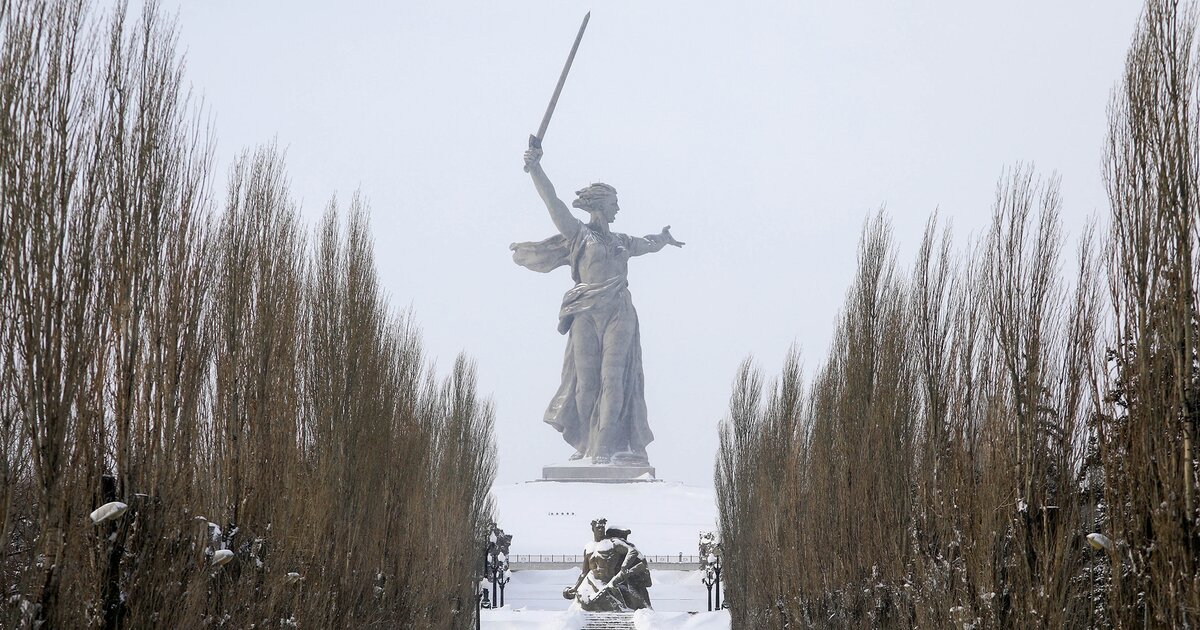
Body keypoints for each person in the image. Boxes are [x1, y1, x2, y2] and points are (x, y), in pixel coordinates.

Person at [511, 146, 684, 465]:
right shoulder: (578, 235)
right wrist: (536, 168)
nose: (618, 208)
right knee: (586, 381)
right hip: (585, 313)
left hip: (619, 312)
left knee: (613, 377)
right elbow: (553, 203)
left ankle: (605, 444)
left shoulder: (622, 241)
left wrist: (662, 239)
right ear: (601, 204)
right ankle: (587, 441)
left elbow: (647, 244)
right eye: (615, 203)